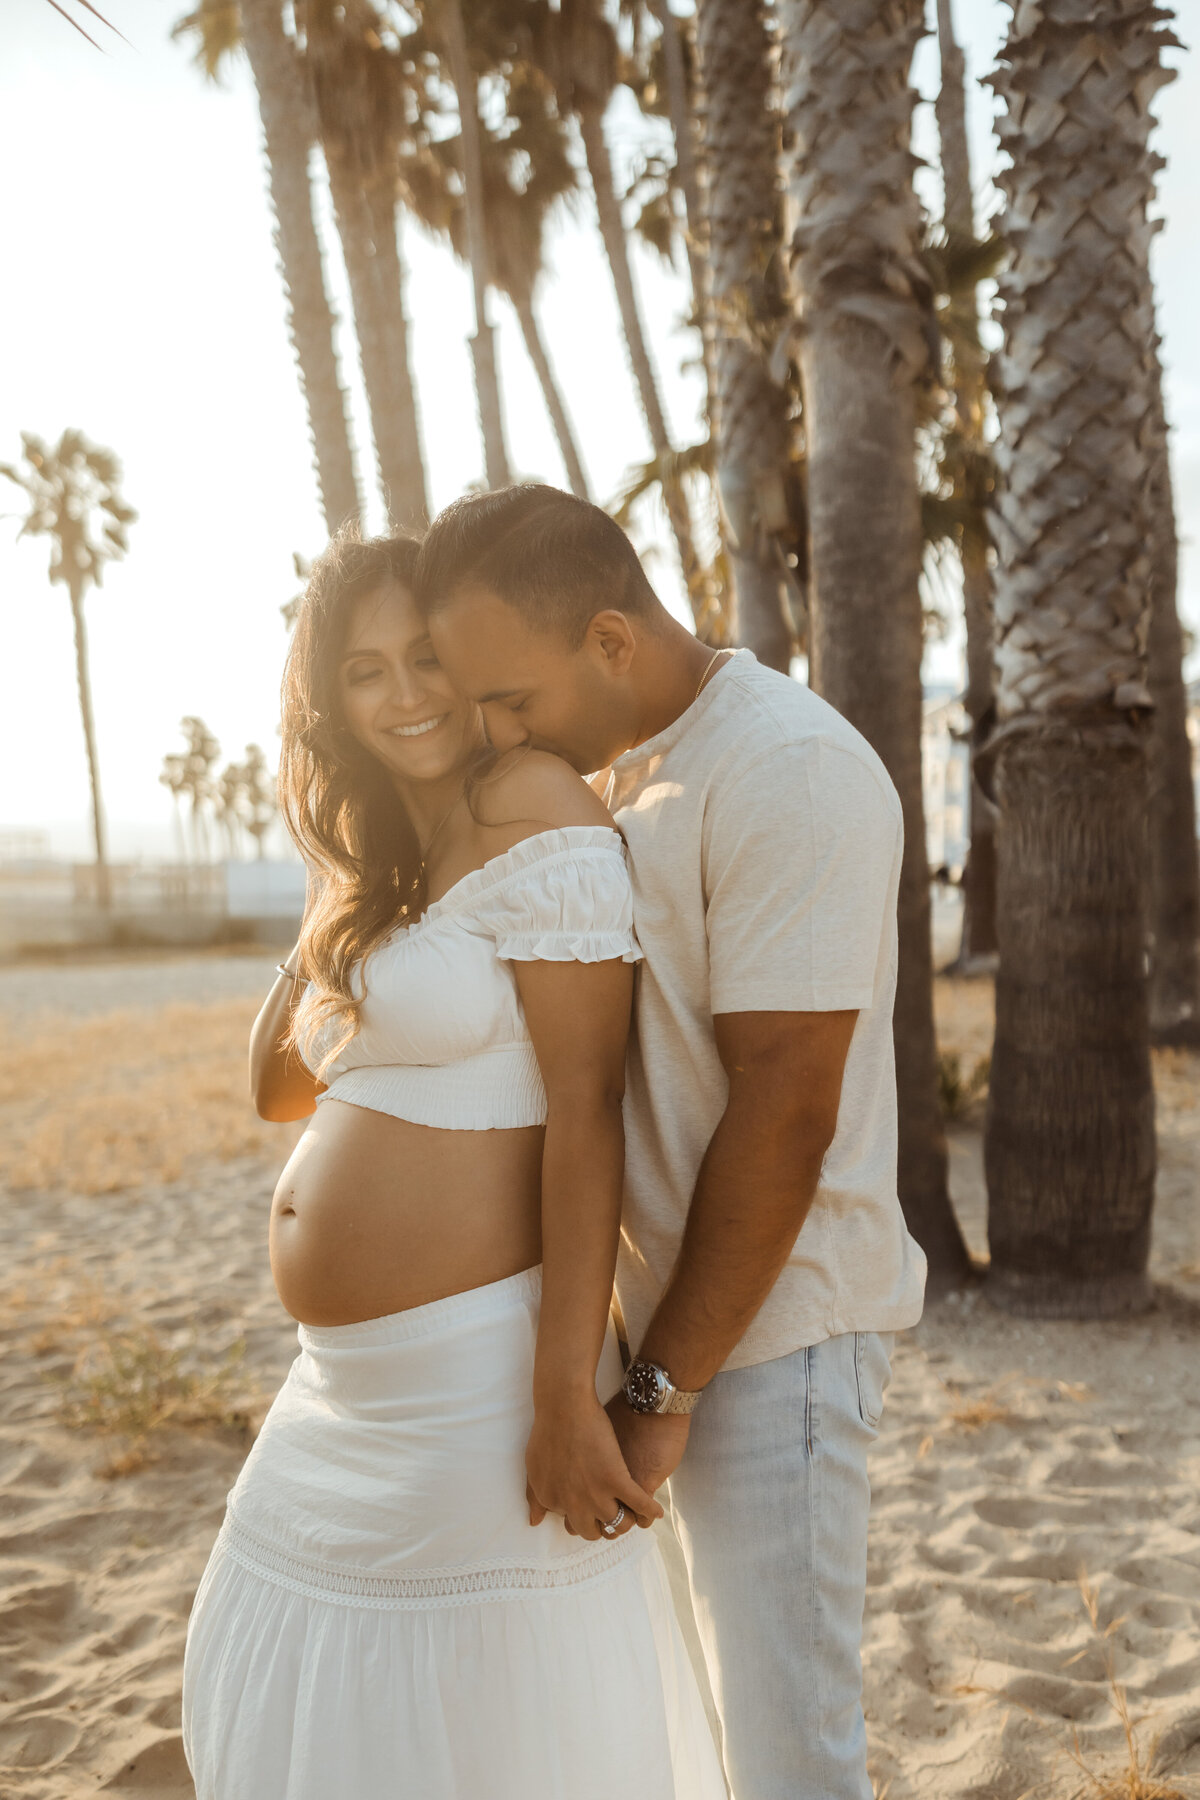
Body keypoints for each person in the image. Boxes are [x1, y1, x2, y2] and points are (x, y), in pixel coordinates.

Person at [181, 529, 726, 1800]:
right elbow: (273, 1084)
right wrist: (342, 879)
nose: (407, 694)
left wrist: (559, 1393)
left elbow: (587, 1112)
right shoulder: (385, 874)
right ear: (330, 703)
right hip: (341, 1390)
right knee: (313, 1702)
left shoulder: (530, 803)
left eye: (426, 657)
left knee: (482, 1728)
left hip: (480, 1376)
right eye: (363, 673)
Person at [417, 483, 929, 1800]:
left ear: (608, 640)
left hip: (775, 1346)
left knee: (789, 1757)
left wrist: (661, 1397)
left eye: (511, 698)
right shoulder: (631, 774)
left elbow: (787, 1109)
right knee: (714, 1739)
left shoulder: (784, 769)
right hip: (684, 1340)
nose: (497, 732)